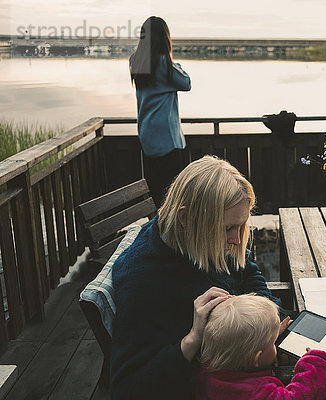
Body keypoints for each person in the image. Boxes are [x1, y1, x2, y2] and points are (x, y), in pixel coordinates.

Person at [110, 155, 283, 399]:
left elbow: (247, 272)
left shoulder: (196, 239)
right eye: (227, 228)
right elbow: (128, 388)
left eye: (240, 226)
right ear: (185, 219)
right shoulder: (144, 283)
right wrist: (192, 340)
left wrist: (268, 318)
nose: (235, 239)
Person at [197, 294, 326, 400]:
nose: (275, 343)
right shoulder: (258, 392)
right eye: (273, 342)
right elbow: (299, 396)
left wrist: (270, 352)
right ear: (257, 358)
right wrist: (316, 364)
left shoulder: (211, 371)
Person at [129, 16, 191, 207]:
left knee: (156, 192)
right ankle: (172, 233)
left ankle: (157, 231)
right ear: (165, 38)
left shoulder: (135, 60)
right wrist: (175, 63)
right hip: (168, 140)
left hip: (148, 137)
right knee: (175, 194)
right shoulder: (165, 63)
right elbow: (186, 83)